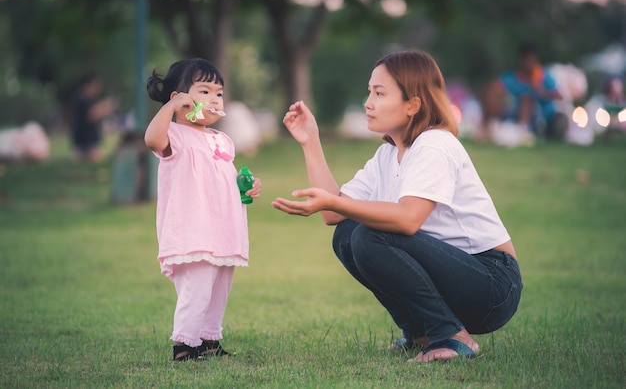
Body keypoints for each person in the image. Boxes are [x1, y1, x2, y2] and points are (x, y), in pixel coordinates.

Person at [271, 50, 522, 362]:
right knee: (348, 234)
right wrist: (310, 141)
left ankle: (452, 336)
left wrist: (335, 201)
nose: (368, 103)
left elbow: (408, 221)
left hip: (493, 285)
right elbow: (334, 214)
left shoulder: (434, 145)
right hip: (458, 279)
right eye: (369, 92)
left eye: (379, 93)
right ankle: (421, 334)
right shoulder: (387, 156)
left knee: (370, 235)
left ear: (412, 105)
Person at [144, 58, 262, 361]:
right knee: (196, 289)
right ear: (180, 99)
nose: (214, 100)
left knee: (219, 287)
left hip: (223, 228)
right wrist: (169, 110)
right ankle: (185, 345)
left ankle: (210, 338)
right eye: (205, 91)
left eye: (219, 93)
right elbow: (151, 139)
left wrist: (245, 185)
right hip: (193, 229)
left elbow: (224, 177)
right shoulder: (175, 136)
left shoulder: (222, 140)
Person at [481, 43, 565, 142]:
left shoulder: (543, 76)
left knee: (560, 119)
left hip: (546, 117)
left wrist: (540, 92)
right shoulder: (513, 77)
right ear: (521, 60)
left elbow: (559, 95)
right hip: (519, 116)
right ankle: (521, 129)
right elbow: (493, 89)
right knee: (524, 98)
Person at [70, 74, 116, 162]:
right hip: (84, 141)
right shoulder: (81, 98)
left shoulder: (89, 99)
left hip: (90, 140)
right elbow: (92, 115)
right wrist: (105, 107)